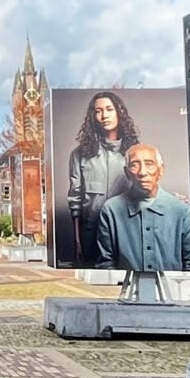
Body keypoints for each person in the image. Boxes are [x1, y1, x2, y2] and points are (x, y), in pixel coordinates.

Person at [94, 142, 190, 277]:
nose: (142, 172)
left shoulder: (182, 211)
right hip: (126, 294)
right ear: (127, 173)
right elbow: (105, 264)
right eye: (134, 165)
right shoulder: (111, 209)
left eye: (149, 164)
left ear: (161, 170)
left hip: (172, 293)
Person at [67, 90, 138, 266]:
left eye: (109, 109)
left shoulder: (135, 152)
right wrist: (77, 242)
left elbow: (144, 192)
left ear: (119, 112)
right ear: (93, 117)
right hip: (91, 235)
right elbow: (75, 201)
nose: (104, 115)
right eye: (98, 111)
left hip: (127, 233)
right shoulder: (80, 154)